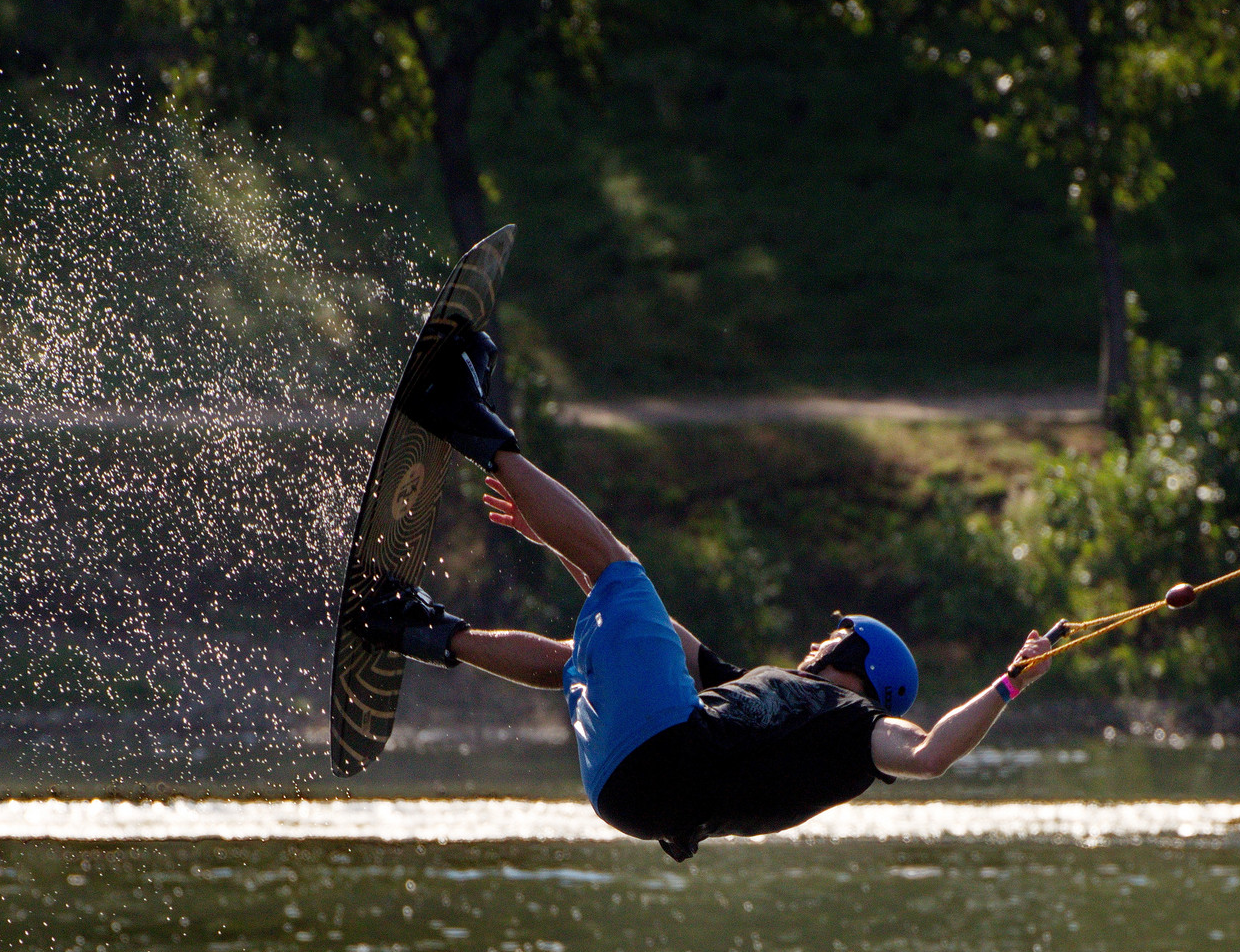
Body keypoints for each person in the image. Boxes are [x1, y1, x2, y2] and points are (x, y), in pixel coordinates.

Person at [351, 325, 1053, 860]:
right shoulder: (760, 695)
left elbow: (929, 754)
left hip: (659, 755)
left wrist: (1010, 682)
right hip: (626, 792)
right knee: (583, 651)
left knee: (624, 569)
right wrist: (552, 537)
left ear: (862, 662)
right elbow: (653, 631)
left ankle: (463, 416)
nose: (817, 640)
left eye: (834, 637)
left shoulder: (853, 728)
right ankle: (415, 628)